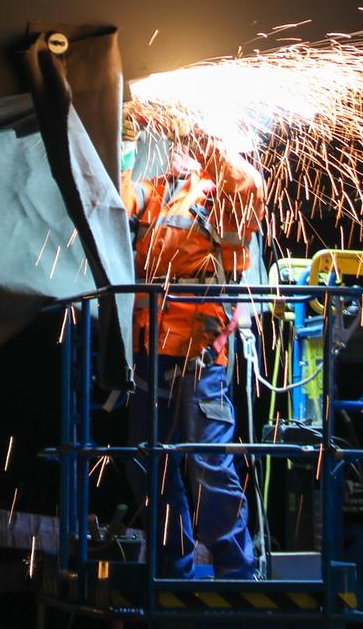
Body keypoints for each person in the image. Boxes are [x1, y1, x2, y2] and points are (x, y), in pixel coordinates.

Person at [120, 108, 265, 580]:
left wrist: (204, 132)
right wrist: (123, 139)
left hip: (200, 354)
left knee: (206, 465)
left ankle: (236, 569)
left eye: (190, 142)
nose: (178, 146)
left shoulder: (222, 191)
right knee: (147, 463)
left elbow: (245, 187)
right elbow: (116, 199)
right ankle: (169, 564)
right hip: (151, 347)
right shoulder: (164, 191)